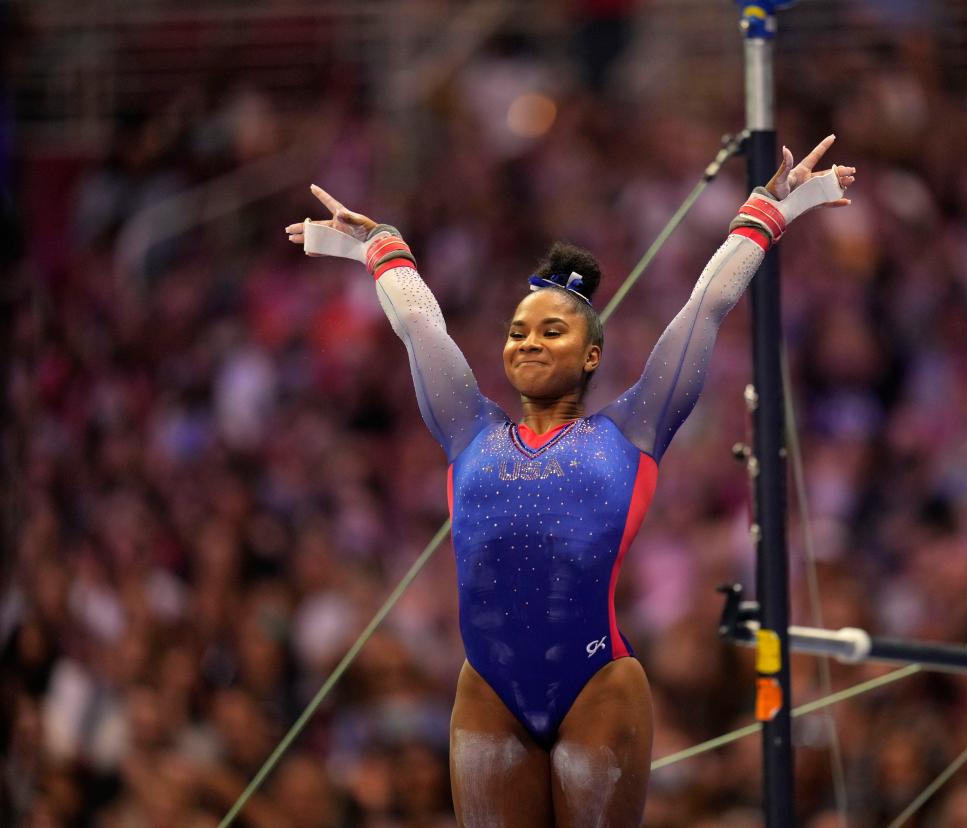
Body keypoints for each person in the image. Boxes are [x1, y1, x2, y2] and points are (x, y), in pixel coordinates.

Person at [285, 135, 855, 827]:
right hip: (488, 688)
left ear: (590, 355)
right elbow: (419, 327)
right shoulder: (470, 431)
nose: (527, 341)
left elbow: (704, 307)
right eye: (519, 330)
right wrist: (378, 243)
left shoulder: (633, 430)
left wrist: (770, 211)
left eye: (550, 331)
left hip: (598, 685)